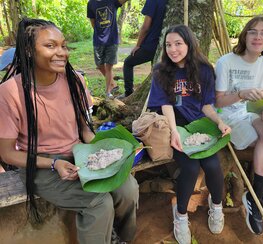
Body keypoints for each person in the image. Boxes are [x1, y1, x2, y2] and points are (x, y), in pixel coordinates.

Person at [0, 18, 138, 244]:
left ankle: (121, 239)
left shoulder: (74, 81)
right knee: (98, 203)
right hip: (40, 165)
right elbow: (7, 154)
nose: (61, 52)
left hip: (79, 156)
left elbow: (85, 130)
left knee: (129, 189)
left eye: (63, 45)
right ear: (28, 50)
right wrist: (54, 164)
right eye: (50, 46)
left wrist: (107, 151)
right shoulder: (10, 93)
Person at [148, 25, 231, 244]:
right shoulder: (160, 71)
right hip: (173, 124)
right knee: (191, 166)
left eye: (178, 44)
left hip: (198, 126)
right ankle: (181, 215)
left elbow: (206, 106)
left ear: (189, 44)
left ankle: (216, 206)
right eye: (168, 45)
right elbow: (165, 106)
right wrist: (174, 132)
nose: (173, 49)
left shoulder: (203, 69)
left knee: (212, 165)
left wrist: (220, 122)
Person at [214, 16, 263, 235]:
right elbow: (218, 102)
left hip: (251, 115)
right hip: (227, 117)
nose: (258, 37)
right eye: (253, 32)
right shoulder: (226, 61)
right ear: (245, 35)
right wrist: (240, 94)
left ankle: (259, 198)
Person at [121, 0, 167, 98]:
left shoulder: (152, 1)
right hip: (163, 44)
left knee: (128, 63)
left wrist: (138, 45)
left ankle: (128, 93)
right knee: (155, 69)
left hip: (151, 44)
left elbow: (146, 27)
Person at [87, 0, 129, 99]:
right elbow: (93, 22)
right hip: (98, 40)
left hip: (112, 40)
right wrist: (101, 33)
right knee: (100, 65)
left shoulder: (112, 1)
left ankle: (108, 92)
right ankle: (113, 84)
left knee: (109, 67)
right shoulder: (91, 3)